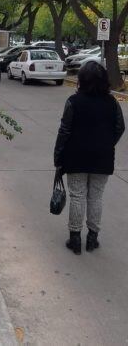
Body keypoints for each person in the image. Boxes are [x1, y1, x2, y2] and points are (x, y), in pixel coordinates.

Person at [54, 62, 125, 255]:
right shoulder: (112, 102)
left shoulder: (73, 101)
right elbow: (120, 127)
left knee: (77, 196)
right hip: (102, 157)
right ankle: (93, 238)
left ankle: (75, 238)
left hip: (75, 155)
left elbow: (64, 130)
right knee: (96, 197)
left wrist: (58, 155)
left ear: (81, 80)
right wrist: (107, 143)